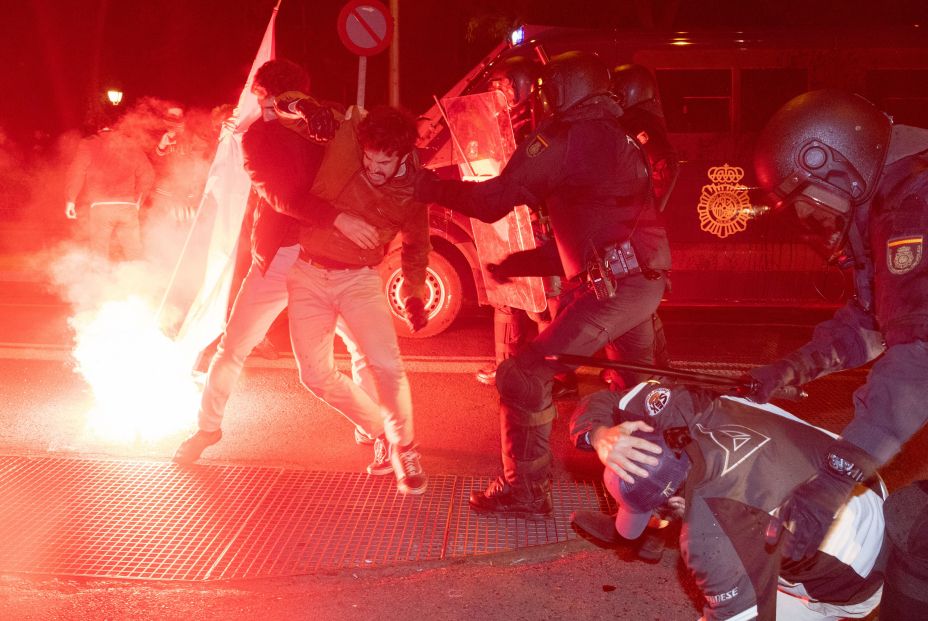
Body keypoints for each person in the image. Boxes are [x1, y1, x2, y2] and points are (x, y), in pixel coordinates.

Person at [416, 51, 671, 517]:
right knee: (641, 389)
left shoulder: (560, 137)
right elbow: (597, 227)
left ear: (563, 89)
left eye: (547, 90)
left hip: (609, 291)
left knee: (524, 375)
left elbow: (493, 201)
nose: (540, 100)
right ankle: (663, 487)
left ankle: (525, 493)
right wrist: (524, 261)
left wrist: (426, 186)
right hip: (639, 285)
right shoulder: (623, 135)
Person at [748, 89, 928, 561]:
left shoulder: (914, 205)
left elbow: (918, 356)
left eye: (810, 204)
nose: (814, 223)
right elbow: (873, 322)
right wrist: (790, 369)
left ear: (836, 167)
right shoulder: (890, 198)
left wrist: (834, 479)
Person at [570, 380, 887, 620]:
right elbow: (608, 399)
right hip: (866, 484)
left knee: (743, 588)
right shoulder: (685, 406)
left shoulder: (710, 539)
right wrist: (597, 434)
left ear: (671, 510)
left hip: (857, 579)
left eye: (650, 516)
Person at [174, 59, 357, 464]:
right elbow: (281, 197)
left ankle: (373, 428)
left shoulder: (325, 120)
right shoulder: (258, 135)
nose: (269, 109)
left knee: (357, 345)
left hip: (323, 252)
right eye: (267, 102)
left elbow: (352, 169)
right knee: (234, 345)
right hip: (283, 254)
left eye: (275, 102)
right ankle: (207, 428)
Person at [260, 102, 431, 496]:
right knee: (314, 375)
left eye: (384, 162)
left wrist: (415, 292)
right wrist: (298, 105)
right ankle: (380, 430)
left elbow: (417, 246)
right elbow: (290, 111)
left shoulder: (413, 189)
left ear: (403, 155)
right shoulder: (347, 140)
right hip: (307, 272)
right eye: (370, 159)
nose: (374, 168)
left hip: (359, 280)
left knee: (386, 364)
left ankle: (404, 448)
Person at [65, 103, 155, 261]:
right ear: (118, 125)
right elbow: (148, 174)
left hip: (101, 207)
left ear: (98, 126)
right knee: (134, 255)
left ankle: (100, 284)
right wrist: (139, 200)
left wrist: (70, 200)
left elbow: (77, 171)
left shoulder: (89, 144)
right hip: (127, 207)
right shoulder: (130, 144)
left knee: (99, 255)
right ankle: (141, 284)